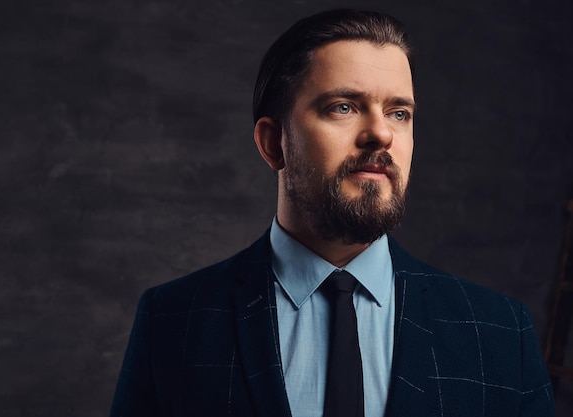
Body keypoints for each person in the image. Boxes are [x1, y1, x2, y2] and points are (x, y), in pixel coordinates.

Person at [109, 9, 555, 417]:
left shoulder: (500, 334)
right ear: (272, 143)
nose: (381, 133)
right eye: (343, 107)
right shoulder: (173, 321)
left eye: (399, 113)